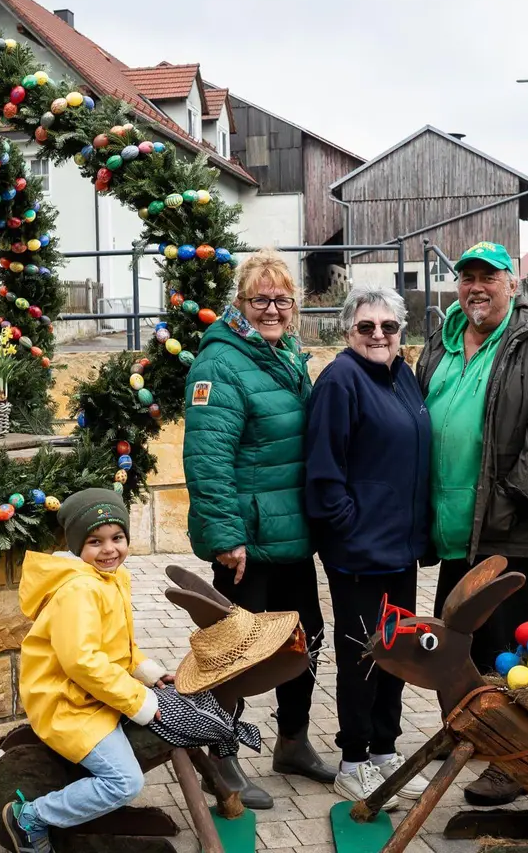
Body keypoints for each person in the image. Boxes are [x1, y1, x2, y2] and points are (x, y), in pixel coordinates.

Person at [413, 241, 528, 806]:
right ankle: (471, 734)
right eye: (467, 278)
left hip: (510, 532)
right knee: (459, 652)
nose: (476, 287)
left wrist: (509, 502)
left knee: (512, 654)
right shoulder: (440, 343)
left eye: (489, 277)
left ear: (513, 283)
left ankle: (514, 763)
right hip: (454, 531)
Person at [183, 250, 336, 806]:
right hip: (247, 541)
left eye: (282, 300)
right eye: (260, 299)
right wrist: (225, 535)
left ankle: (291, 741)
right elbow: (206, 456)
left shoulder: (287, 354)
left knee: (305, 639)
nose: (272, 309)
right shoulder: (220, 363)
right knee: (237, 651)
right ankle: (221, 759)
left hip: (292, 533)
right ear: (240, 303)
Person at [304, 285, 432, 809]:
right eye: (366, 327)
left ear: (402, 332)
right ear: (347, 331)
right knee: (362, 656)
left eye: (389, 327)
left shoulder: (403, 375)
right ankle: (353, 761)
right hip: (359, 552)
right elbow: (323, 471)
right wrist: (348, 527)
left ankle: (385, 751)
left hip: (400, 549)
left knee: (396, 652)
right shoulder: (340, 380)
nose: (378, 335)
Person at [6, 488, 173, 853]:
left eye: (118, 538)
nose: (109, 549)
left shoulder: (112, 578)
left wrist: (147, 672)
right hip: (68, 702)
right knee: (124, 782)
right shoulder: (80, 590)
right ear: (78, 546)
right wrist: (138, 700)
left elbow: (117, 645)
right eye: (95, 541)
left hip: (92, 693)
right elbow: (82, 661)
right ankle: (31, 817)